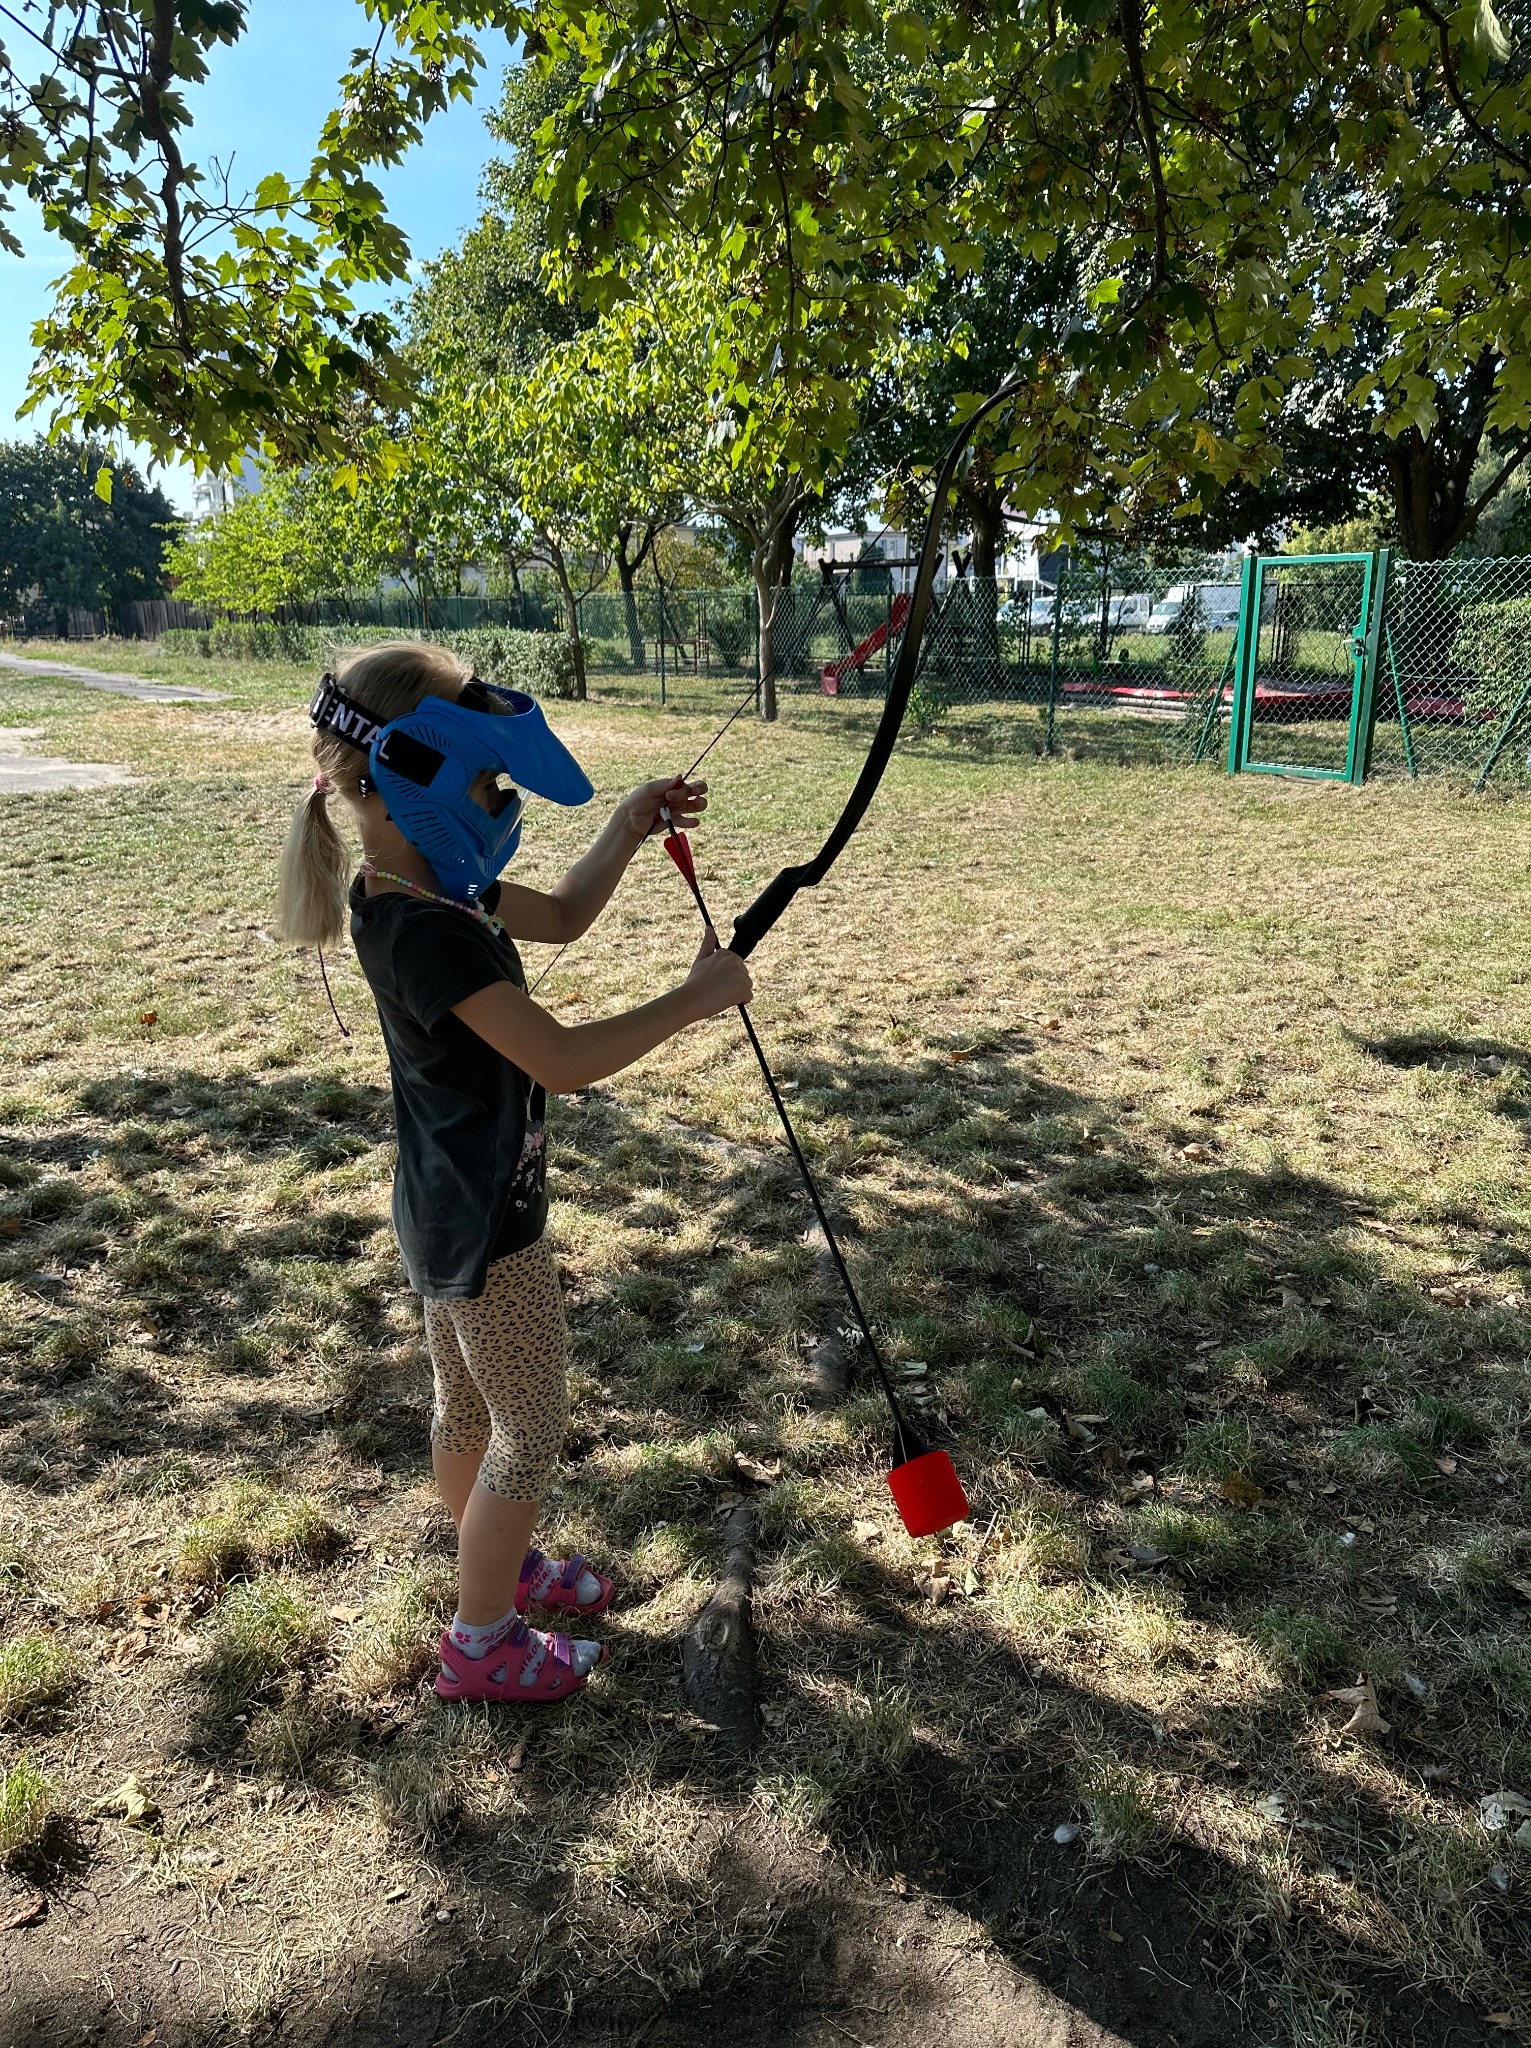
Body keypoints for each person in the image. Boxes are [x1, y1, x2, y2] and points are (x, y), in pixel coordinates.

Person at [274, 642, 752, 1704]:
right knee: (528, 1430)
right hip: (489, 1224)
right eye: (489, 780)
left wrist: (627, 823)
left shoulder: (422, 883)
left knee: (466, 1410)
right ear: (412, 782)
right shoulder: (431, 931)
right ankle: (481, 1635)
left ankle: (496, 1559)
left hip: (439, 1207)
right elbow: (563, 1060)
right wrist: (692, 997)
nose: (499, 798)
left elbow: (569, 914)